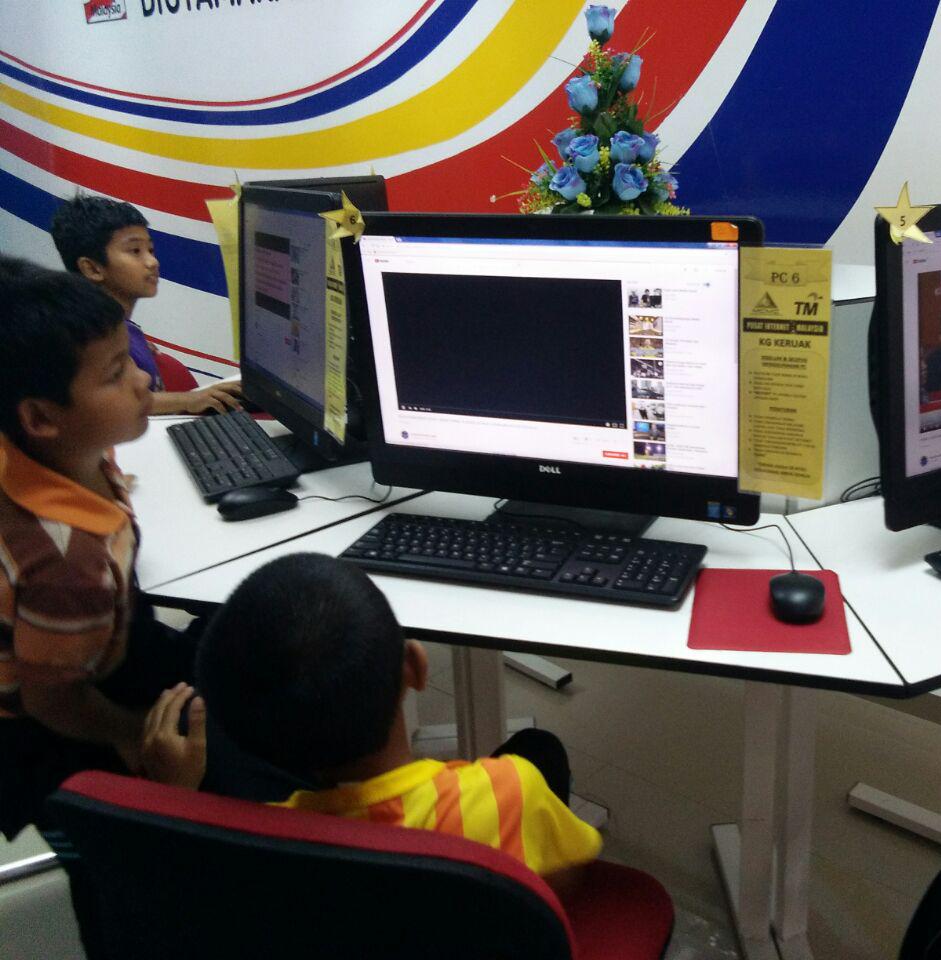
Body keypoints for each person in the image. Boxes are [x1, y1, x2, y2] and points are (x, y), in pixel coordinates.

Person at [142, 553, 603, 882]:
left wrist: (176, 799)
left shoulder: (249, 845)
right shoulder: (509, 793)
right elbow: (561, 890)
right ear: (416, 666)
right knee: (540, 750)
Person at [0, 257, 192, 838]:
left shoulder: (59, 451)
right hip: (53, 728)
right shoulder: (69, 565)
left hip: (96, 645)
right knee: (109, 848)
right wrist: (131, 734)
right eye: (114, 375)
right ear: (42, 417)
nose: (142, 380)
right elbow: (55, 700)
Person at [50, 194, 242, 415]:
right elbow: (119, 403)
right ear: (92, 268)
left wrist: (136, 343)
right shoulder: (90, 337)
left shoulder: (113, 327)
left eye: (150, 250)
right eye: (135, 251)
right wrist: (188, 400)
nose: (153, 262)